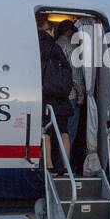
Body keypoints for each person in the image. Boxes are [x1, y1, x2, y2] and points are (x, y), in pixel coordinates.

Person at [38, 18, 74, 173]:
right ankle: (66, 167)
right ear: (51, 31)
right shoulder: (57, 48)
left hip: (45, 97)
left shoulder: (36, 47)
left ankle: (49, 166)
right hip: (61, 98)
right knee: (64, 132)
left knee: (45, 132)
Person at [56, 20, 88, 175]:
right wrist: (81, 94)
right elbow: (75, 75)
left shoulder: (54, 45)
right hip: (70, 97)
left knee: (54, 132)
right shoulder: (71, 47)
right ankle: (66, 166)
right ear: (69, 32)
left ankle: (54, 163)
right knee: (69, 133)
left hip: (55, 97)